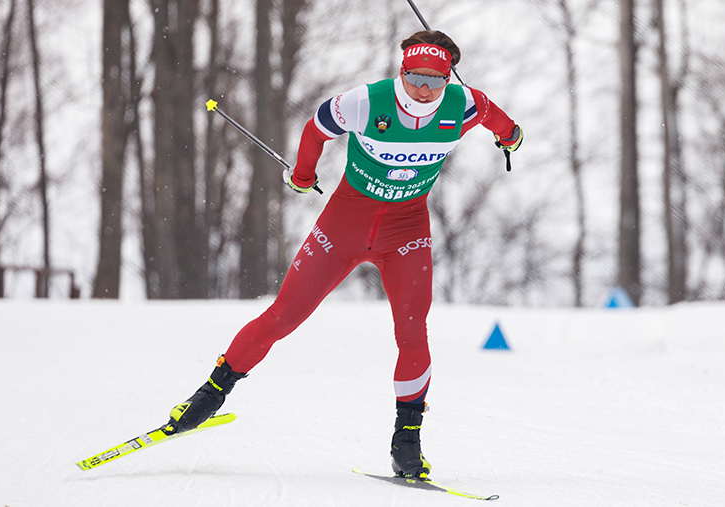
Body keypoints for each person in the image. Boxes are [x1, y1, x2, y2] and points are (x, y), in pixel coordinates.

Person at [164, 30, 522, 479]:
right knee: (283, 317)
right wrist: (302, 175)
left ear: (448, 78)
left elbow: (504, 125)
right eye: (414, 78)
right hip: (345, 226)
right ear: (401, 72)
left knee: (413, 333)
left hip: (407, 231)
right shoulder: (365, 102)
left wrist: (511, 139)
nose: (423, 90)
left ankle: (407, 442)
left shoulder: (466, 104)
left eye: (434, 80)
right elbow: (316, 129)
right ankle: (207, 397)